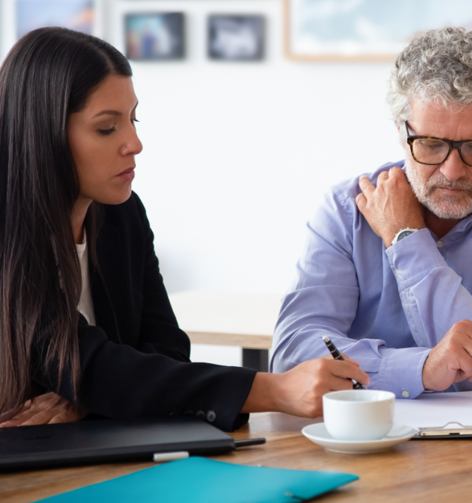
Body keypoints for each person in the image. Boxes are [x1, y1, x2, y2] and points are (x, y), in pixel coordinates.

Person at [0, 28, 369, 431]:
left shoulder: (121, 216)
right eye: (107, 128)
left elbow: (167, 351)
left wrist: (93, 399)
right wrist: (274, 390)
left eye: (133, 119)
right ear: (44, 133)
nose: (135, 143)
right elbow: (85, 362)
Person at [272, 28, 472, 401]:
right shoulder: (345, 210)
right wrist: (422, 368)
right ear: (402, 132)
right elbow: (292, 360)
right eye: (431, 144)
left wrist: (405, 236)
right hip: (361, 441)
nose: (452, 171)